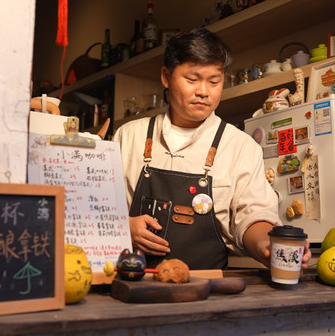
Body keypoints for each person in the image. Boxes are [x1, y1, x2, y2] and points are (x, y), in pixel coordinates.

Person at [113, 28, 311, 270]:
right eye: (192, 79)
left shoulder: (240, 146)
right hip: (132, 281)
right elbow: (93, 212)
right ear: (166, 77)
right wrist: (123, 226)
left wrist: (266, 245)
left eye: (214, 81)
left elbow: (254, 215)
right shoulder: (129, 136)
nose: (203, 92)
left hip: (208, 288)